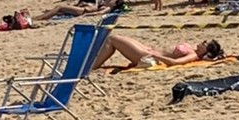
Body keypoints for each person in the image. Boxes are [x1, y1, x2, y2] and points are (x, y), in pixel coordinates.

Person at [91, 34, 224, 70]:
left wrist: (156, 56)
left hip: (148, 56)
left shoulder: (193, 55)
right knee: (115, 37)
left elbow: (174, 62)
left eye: (205, 43)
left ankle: (92, 66)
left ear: (206, 49)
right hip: (149, 50)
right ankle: (92, 62)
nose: (202, 42)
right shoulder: (193, 50)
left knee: (113, 39)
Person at [36, 0, 127, 21]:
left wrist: (86, 15)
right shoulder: (108, 3)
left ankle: (39, 18)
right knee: (58, 11)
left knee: (60, 7)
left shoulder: (108, 7)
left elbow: (99, 13)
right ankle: (39, 17)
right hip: (83, 7)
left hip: (83, 11)